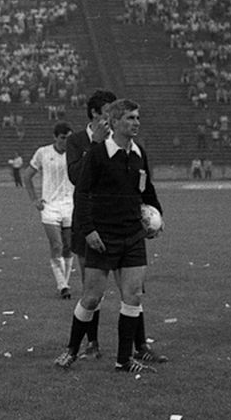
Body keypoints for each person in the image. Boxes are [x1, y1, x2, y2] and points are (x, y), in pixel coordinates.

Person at [56, 98, 166, 374]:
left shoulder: (139, 152)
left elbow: (146, 188)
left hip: (132, 235)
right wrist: (89, 230)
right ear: (114, 122)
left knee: (133, 297)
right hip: (103, 236)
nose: (136, 123)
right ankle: (71, 349)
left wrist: (157, 218)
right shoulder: (97, 154)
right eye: (129, 118)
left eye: (137, 117)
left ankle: (123, 360)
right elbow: (80, 194)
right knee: (92, 298)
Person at [64, 88, 116, 358]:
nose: (113, 117)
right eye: (109, 111)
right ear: (95, 113)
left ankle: (139, 346)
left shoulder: (118, 140)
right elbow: (75, 176)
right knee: (90, 287)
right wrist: (95, 144)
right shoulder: (76, 140)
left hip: (115, 221)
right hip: (87, 222)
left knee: (131, 286)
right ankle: (91, 343)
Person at [21, 122, 76, 298]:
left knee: (68, 247)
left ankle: (64, 283)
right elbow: (27, 176)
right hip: (50, 206)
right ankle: (62, 286)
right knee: (57, 245)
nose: (66, 142)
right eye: (63, 138)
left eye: (69, 138)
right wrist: (34, 199)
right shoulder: (43, 153)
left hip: (70, 205)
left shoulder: (76, 153)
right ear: (55, 137)